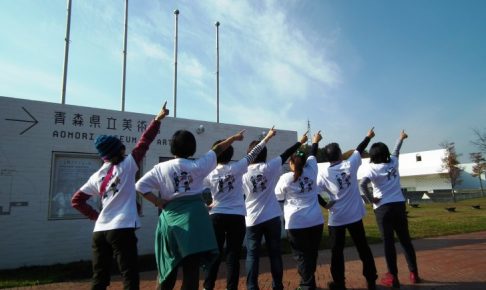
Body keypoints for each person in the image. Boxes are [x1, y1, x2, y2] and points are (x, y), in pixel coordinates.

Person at [71, 102, 169, 290]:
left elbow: (76, 200)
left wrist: (97, 217)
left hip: (99, 232)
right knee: (129, 276)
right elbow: (144, 141)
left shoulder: (96, 176)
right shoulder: (128, 165)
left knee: (99, 278)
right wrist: (157, 119)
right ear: (119, 150)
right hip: (122, 229)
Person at [135, 129, 246, 290]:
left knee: (168, 265)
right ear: (192, 148)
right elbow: (218, 149)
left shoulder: (160, 168)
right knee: (191, 269)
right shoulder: (198, 165)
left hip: (170, 220)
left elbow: (139, 186)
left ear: (172, 147)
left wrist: (159, 201)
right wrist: (234, 138)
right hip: (194, 220)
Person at [202, 127, 277, 290]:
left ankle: (208, 287)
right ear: (230, 154)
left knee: (214, 255)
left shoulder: (210, 173)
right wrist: (267, 137)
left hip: (216, 216)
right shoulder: (238, 167)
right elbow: (254, 152)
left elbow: (194, 189)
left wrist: (204, 205)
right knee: (233, 257)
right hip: (236, 217)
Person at [242, 131, 308, 290]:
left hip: (252, 218)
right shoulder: (269, 167)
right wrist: (300, 142)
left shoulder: (242, 171)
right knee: (275, 254)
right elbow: (286, 154)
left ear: (249, 154)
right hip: (272, 216)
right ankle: (277, 286)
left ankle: (251, 287)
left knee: (252, 255)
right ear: (264, 154)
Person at [316, 128, 377, 290]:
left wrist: (325, 205)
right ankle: (371, 280)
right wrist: (368, 136)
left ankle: (339, 283)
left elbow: (313, 192)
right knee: (363, 248)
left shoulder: (324, 174)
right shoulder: (350, 164)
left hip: (336, 219)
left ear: (328, 158)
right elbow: (359, 148)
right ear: (340, 154)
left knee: (337, 253)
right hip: (355, 216)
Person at [359, 130, 420, 288]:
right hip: (399, 205)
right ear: (385, 153)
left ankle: (393, 277)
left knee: (388, 243)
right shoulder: (393, 162)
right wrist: (400, 138)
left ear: (372, 155)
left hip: (383, 209)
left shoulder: (372, 169)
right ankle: (414, 273)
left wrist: (371, 199)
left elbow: (362, 184)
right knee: (405, 240)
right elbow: (396, 150)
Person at [274, 131, 327, 290]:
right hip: (316, 221)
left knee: (301, 256)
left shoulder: (285, 178)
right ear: (305, 163)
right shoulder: (312, 170)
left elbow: (279, 197)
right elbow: (313, 154)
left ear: (291, 163)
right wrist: (315, 141)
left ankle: (306, 285)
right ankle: (309, 282)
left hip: (296, 223)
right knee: (312, 254)